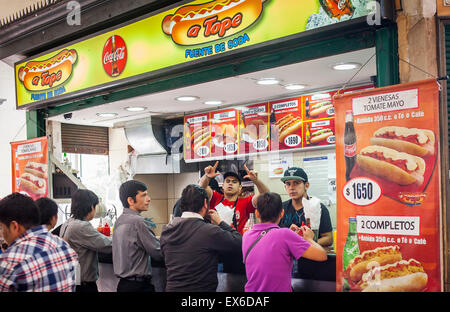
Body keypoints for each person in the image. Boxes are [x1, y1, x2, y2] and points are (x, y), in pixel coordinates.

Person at [160, 184, 242, 292]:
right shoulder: (209, 231)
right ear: (205, 203)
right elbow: (239, 242)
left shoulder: (166, 230)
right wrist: (220, 222)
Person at [243, 192, 327, 292]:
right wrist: (308, 238)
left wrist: (291, 236)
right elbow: (322, 255)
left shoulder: (246, 235)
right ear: (282, 213)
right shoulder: (285, 234)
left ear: (257, 213)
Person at [0, 193, 78, 292]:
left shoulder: (9, 261)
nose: (1, 234)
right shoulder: (64, 246)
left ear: (14, 226)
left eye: (1, 227)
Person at [113, 180, 163, 292]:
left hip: (123, 285)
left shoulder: (119, 221)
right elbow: (157, 252)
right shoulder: (138, 222)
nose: (149, 199)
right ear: (130, 200)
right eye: (144, 195)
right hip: (138, 287)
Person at [60, 189, 112, 292]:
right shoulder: (81, 226)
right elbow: (107, 245)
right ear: (90, 207)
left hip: (72, 281)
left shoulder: (67, 223)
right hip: (83, 285)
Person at [199, 161, 269, 235]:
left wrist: (256, 181)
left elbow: (266, 195)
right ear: (223, 186)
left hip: (237, 243)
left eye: (234, 182)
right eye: (228, 181)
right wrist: (207, 177)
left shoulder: (246, 202)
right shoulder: (215, 197)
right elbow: (201, 188)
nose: (230, 183)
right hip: (216, 242)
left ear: (240, 187)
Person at [279, 167, 333, 247]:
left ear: (306, 185)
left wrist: (304, 243)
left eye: (296, 183)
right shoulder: (281, 208)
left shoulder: (318, 207)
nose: (291, 188)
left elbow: (328, 239)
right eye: (288, 184)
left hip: (312, 255)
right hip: (288, 257)